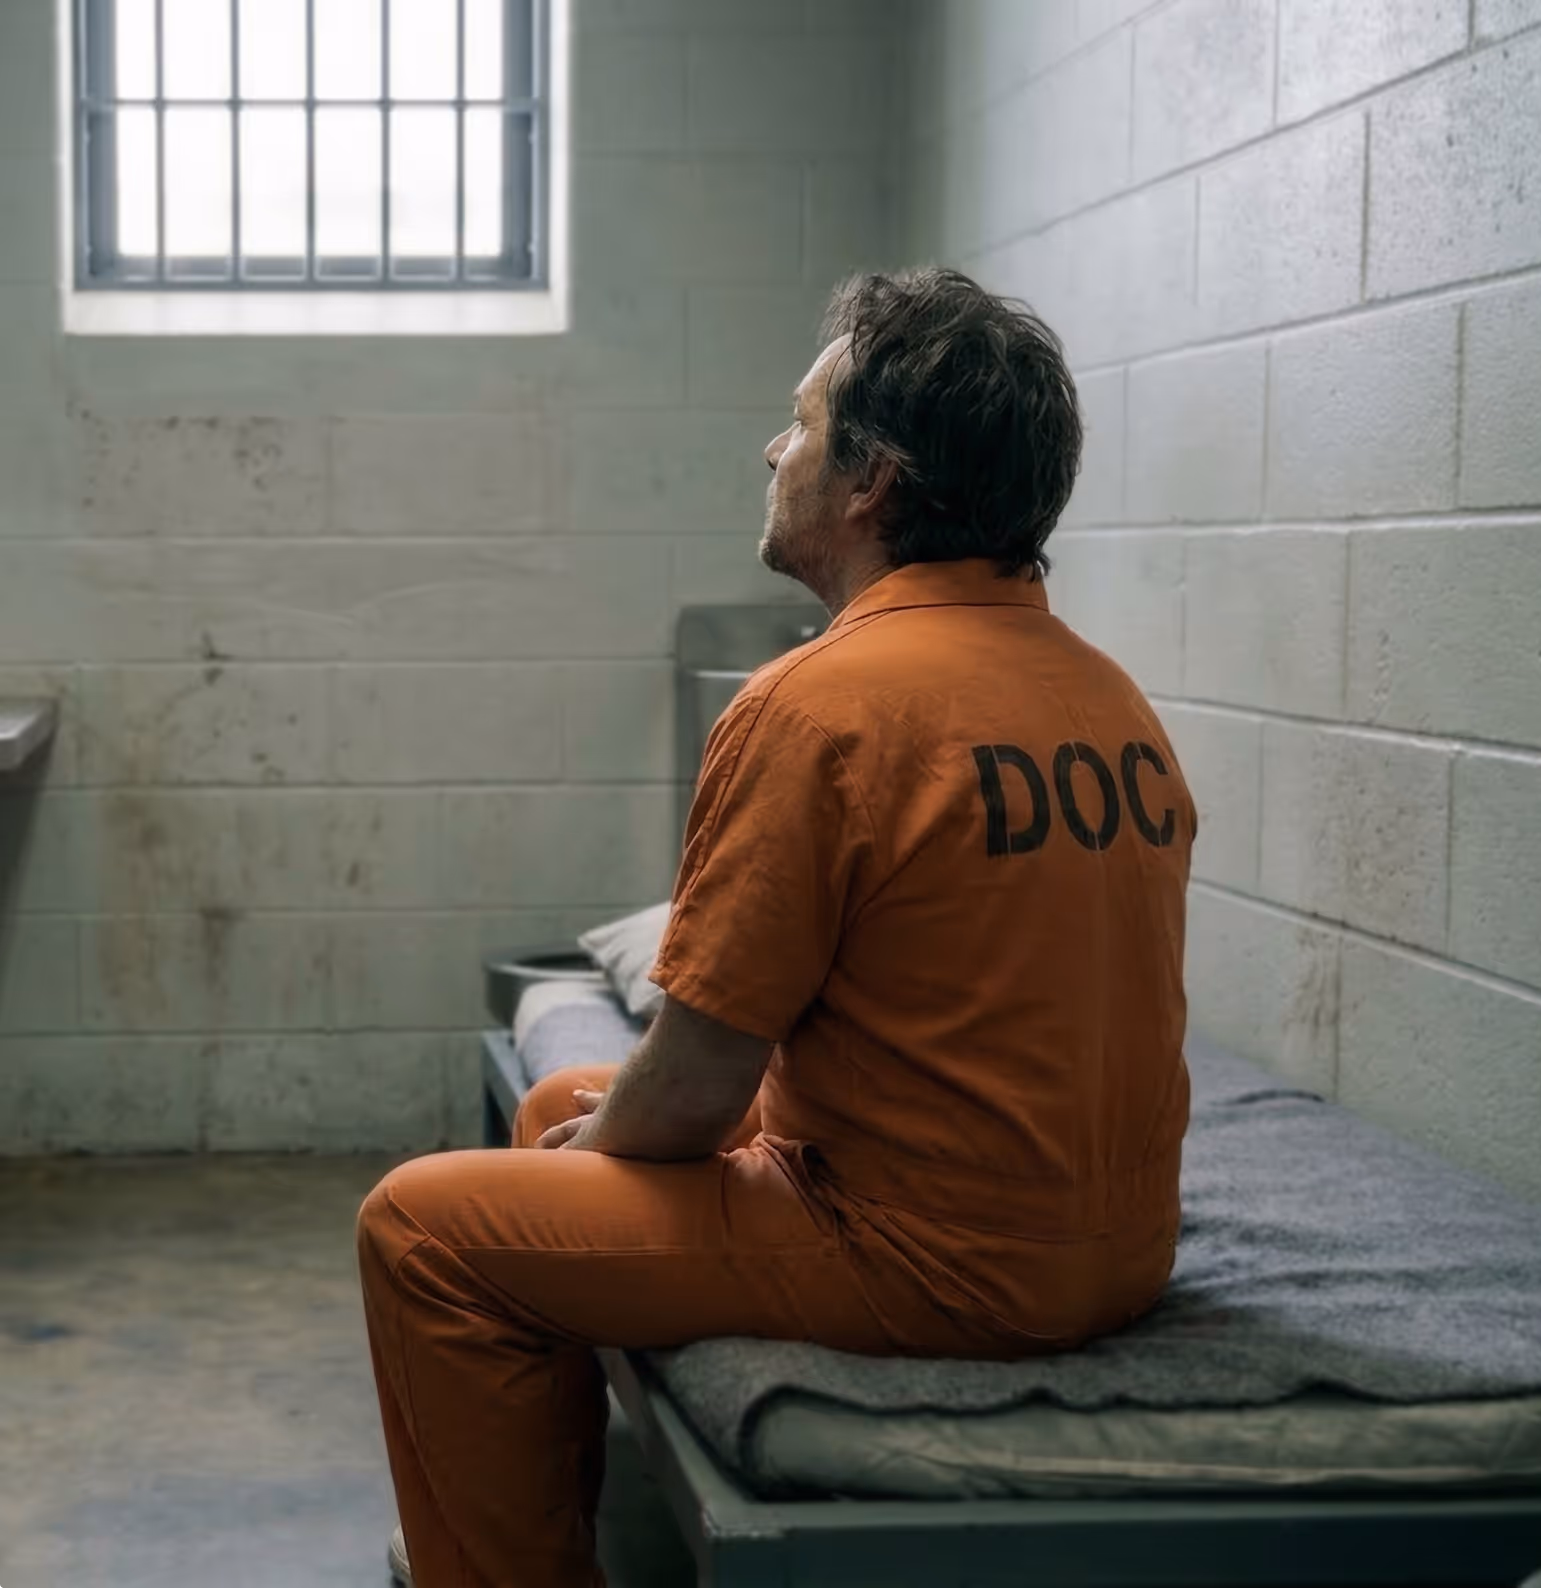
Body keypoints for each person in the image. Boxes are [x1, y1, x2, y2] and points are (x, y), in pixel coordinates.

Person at [358, 267, 1196, 1588]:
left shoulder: (819, 703)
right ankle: (534, 1529)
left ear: (871, 481)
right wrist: (603, 1130)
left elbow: (693, 1090)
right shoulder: (1107, 697)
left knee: (422, 1229)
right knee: (558, 1104)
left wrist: (624, 1141)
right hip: (1112, 1244)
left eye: (800, 425)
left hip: (933, 1266)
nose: (773, 446)